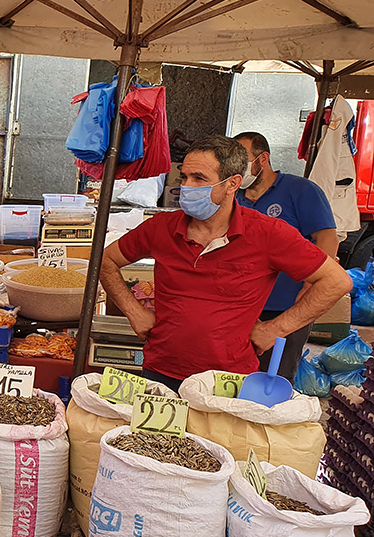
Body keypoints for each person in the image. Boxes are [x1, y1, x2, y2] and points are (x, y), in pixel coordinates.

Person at [99, 135, 352, 392]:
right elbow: (106, 260)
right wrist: (134, 312)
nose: (187, 186)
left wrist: (276, 328)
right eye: (184, 177)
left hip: (229, 379)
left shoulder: (268, 233)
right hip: (160, 371)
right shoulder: (160, 228)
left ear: (233, 183)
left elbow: (336, 281)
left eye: (199, 179)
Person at [235, 131, 339, 380]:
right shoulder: (234, 195)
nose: (238, 168)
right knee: (236, 376)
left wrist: (311, 288)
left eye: (243, 160)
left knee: (274, 377)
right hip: (241, 306)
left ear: (263, 159)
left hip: (286, 308)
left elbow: (327, 239)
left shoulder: (300, 190)